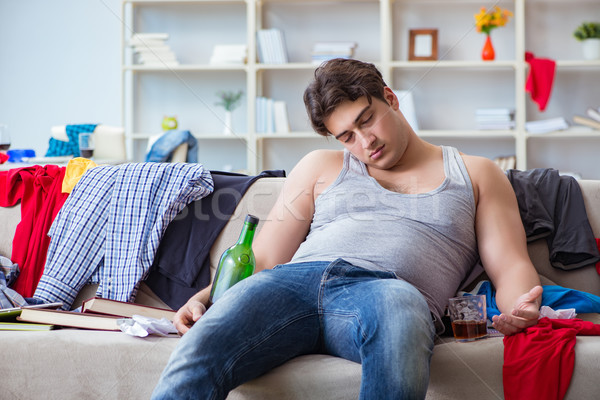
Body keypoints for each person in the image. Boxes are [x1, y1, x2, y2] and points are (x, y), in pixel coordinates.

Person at [151, 58, 543, 400]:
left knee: (400, 309)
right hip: (288, 285)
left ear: (390, 98)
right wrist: (205, 297)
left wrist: (521, 306)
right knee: (199, 349)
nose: (365, 142)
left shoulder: (475, 173)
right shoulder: (321, 165)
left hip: (386, 292)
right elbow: (266, 257)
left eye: (367, 120)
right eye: (347, 137)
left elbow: (509, 265)